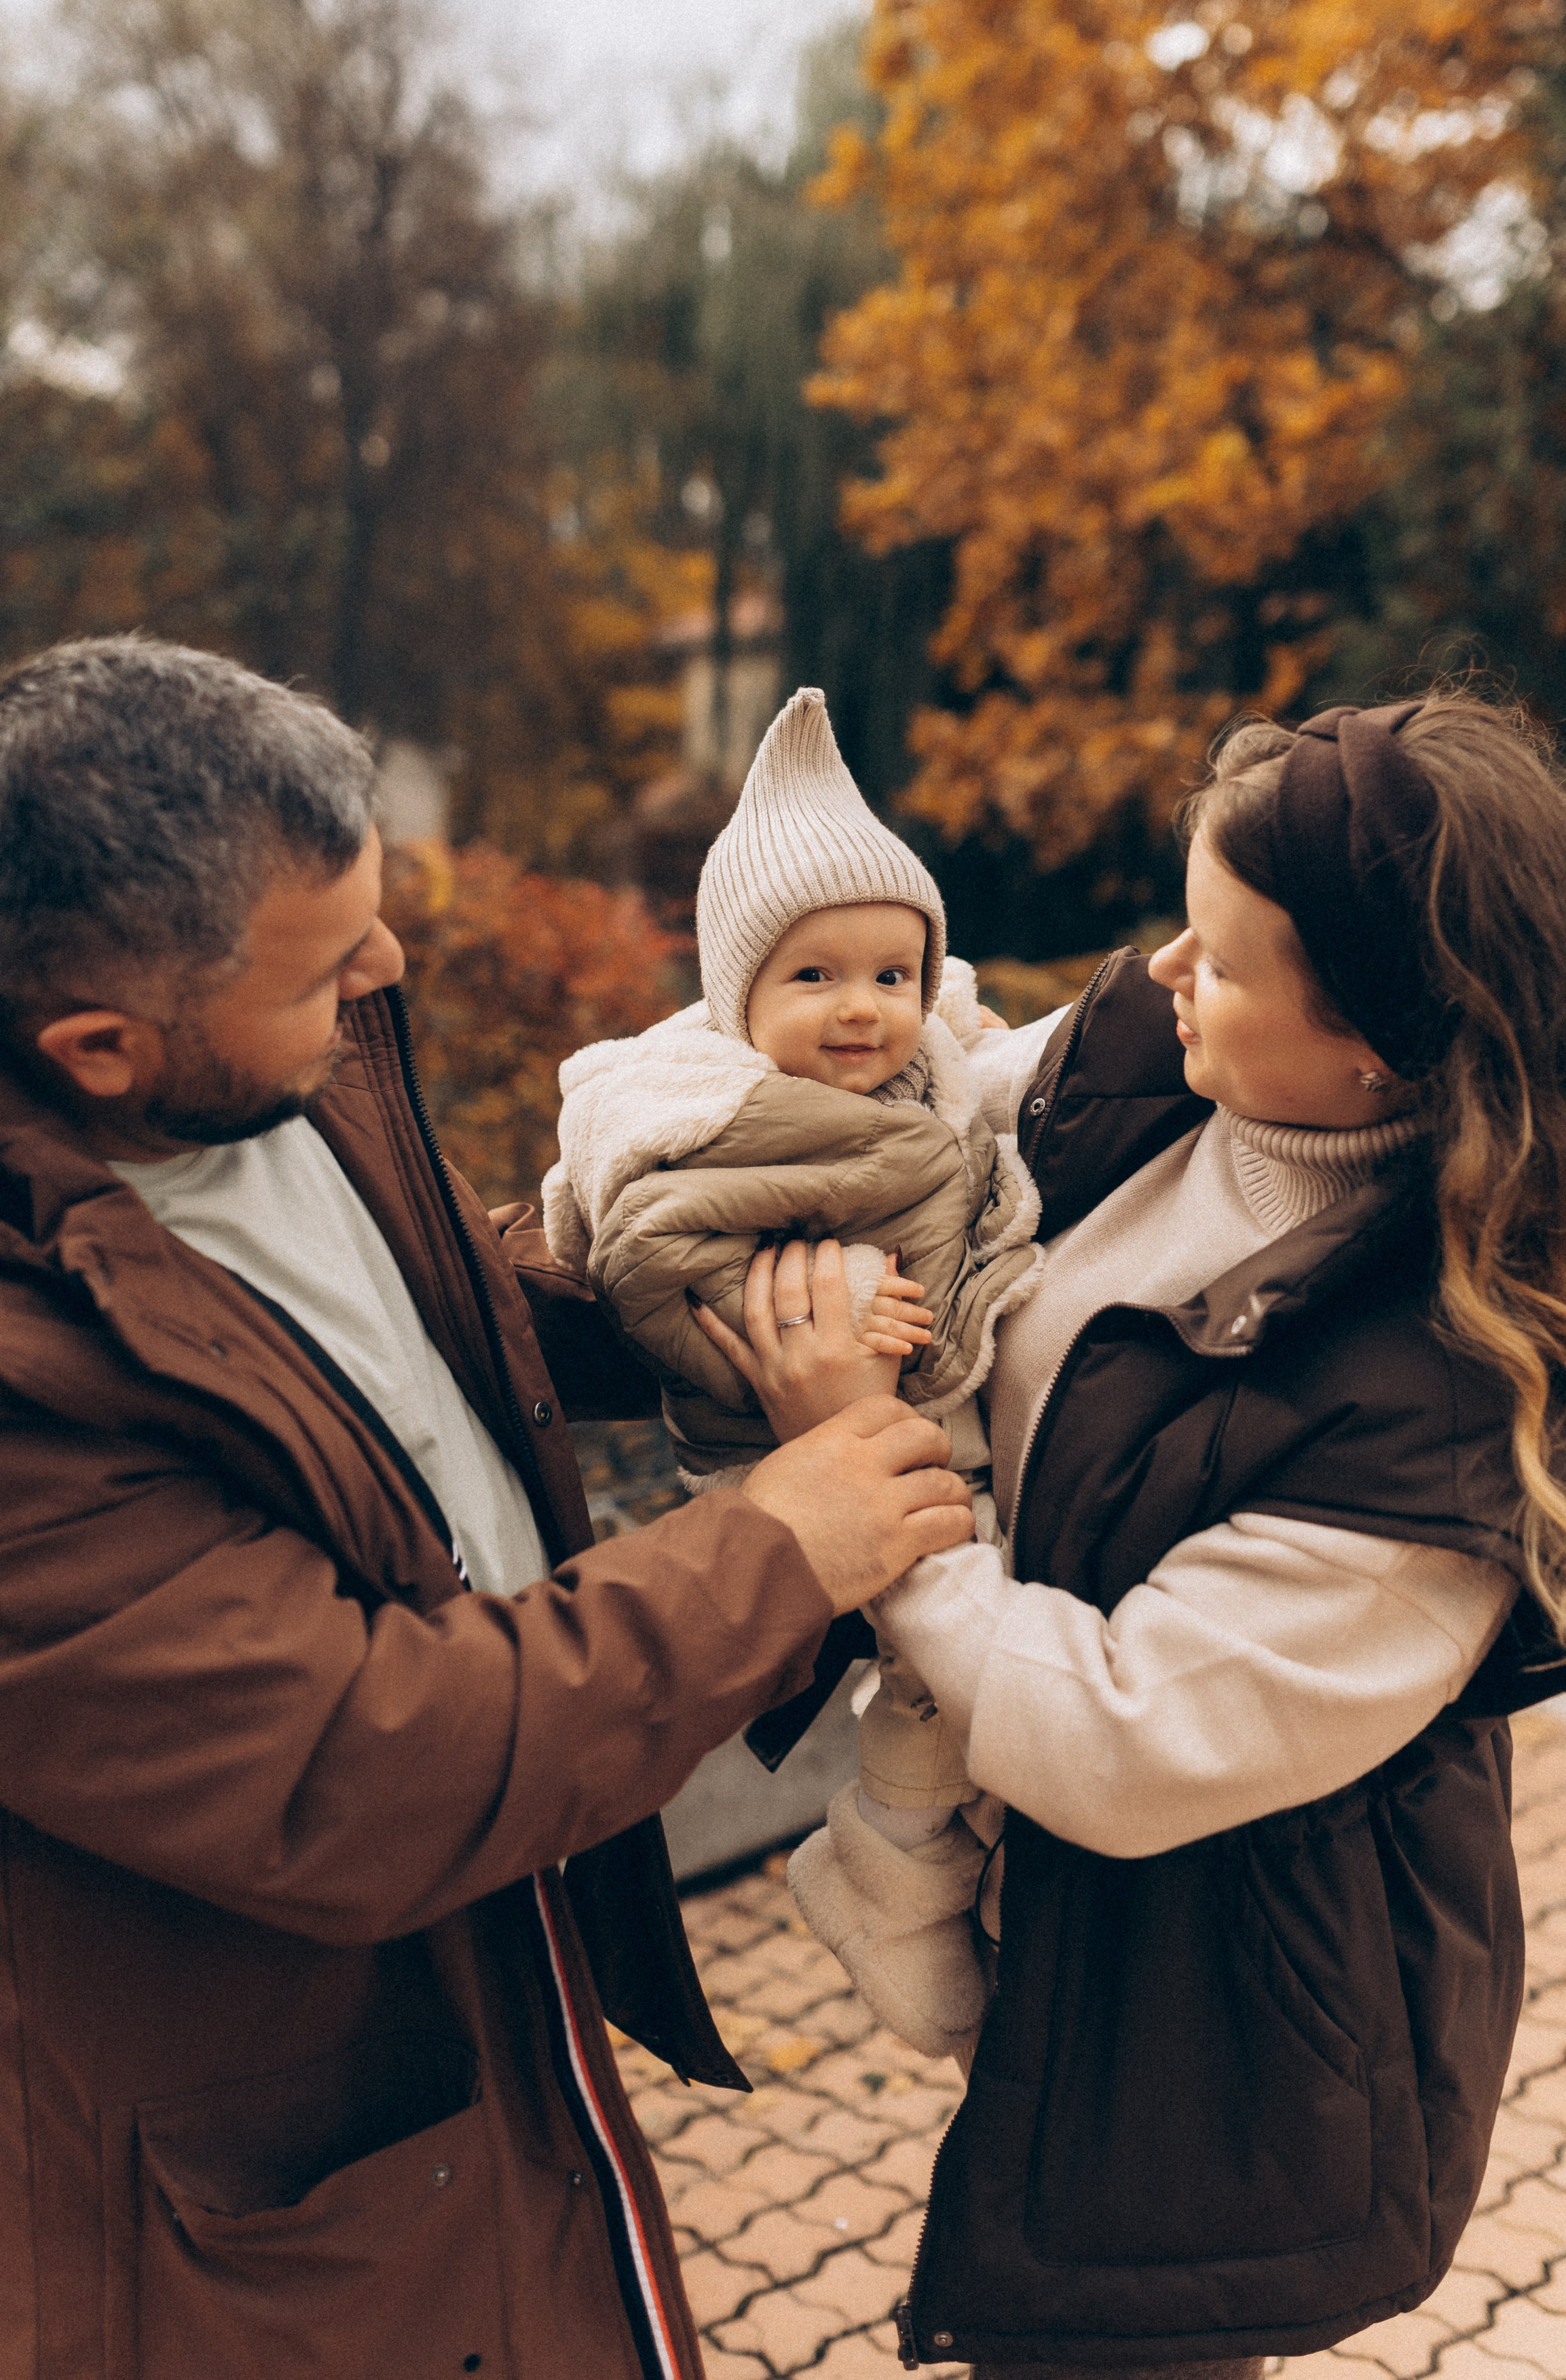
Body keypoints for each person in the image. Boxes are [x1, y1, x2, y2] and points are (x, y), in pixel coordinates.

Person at [694, 692, 1566, 2380]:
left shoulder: (1440, 1403)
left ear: (1384, 1050)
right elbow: (884, 1105)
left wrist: (857, 1474)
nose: (1167, 969)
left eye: (1229, 961)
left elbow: (1121, 1733)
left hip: (1231, 2007)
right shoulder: (1151, 1072)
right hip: (1068, 1915)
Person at [0, 636, 973, 2380]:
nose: (384, 964)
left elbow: (440, 1312)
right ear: (101, 1045)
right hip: (250, 2181)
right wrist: (777, 1542)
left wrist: (723, 1309)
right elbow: (360, 1758)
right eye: (324, 968)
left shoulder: (253, 1081)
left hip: (478, 2004)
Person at [544, 688, 1041, 2061]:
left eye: (892, 974)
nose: (859, 1010)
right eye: (812, 978)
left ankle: (931, 1854)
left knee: (976, 1646)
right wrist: (797, 1304)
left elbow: (984, 1091)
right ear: (736, 993)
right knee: (950, 1642)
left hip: (926, 1403)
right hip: (794, 1429)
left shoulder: (928, 1069)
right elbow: (643, 1261)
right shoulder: (704, 1129)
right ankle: (889, 1865)